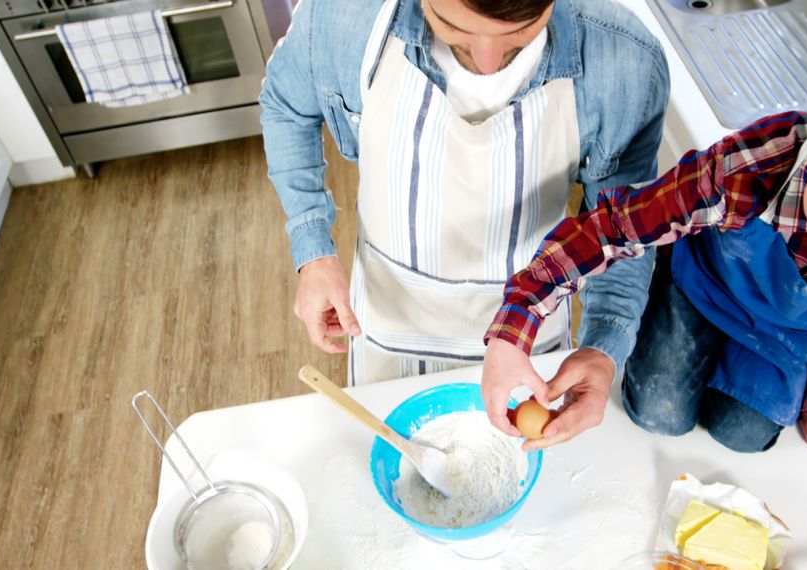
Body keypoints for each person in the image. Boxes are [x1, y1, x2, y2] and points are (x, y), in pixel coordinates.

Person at [481, 61, 807, 475]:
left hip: (783, 328)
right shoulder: (755, 164)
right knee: (657, 413)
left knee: (746, 433)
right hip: (704, 284)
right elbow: (611, 227)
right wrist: (519, 319)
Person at [260, 0, 670, 385]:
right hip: (385, 336)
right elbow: (286, 104)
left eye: (520, 31)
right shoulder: (345, 17)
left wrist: (601, 350)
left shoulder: (624, 62)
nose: (487, 62)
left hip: (530, 349)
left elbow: (621, 235)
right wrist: (313, 250)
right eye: (454, 28)